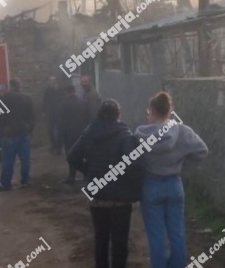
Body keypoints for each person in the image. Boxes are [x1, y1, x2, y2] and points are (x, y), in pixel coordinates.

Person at [67, 100, 144, 268]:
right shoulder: (125, 134)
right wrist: (133, 184)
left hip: (97, 197)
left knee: (100, 240)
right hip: (120, 199)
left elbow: (72, 156)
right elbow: (134, 163)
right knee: (120, 242)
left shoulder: (89, 132)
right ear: (118, 114)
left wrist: (89, 171)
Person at [136, 92, 209, 268]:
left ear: (152, 110)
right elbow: (202, 151)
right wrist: (182, 163)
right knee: (177, 233)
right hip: (174, 184)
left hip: (151, 184)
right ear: (169, 110)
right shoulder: (182, 131)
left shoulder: (140, 134)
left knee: (156, 235)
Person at [0, 79, 35, 191]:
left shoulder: (4, 99)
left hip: (9, 134)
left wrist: (1, 132)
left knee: (8, 161)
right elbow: (32, 116)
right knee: (25, 160)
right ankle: (25, 180)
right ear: (19, 87)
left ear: (10, 86)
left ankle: (5, 183)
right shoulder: (27, 98)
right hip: (24, 133)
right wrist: (29, 129)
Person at [59, 84, 91, 183]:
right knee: (84, 154)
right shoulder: (83, 103)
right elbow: (88, 119)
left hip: (69, 134)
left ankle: (72, 176)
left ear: (67, 92)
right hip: (82, 133)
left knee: (71, 154)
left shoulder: (64, 104)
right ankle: (87, 175)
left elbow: (62, 121)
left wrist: (61, 135)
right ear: (74, 91)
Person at [42, 77, 64, 155]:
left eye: (53, 81)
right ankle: (53, 145)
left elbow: (63, 99)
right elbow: (44, 101)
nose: (51, 82)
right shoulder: (47, 90)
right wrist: (44, 111)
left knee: (59, 131)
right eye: (50, 81)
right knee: (50, 130)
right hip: (51, 112)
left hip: (59, 112)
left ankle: (59, 147)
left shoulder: (60, 89)